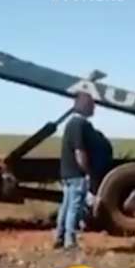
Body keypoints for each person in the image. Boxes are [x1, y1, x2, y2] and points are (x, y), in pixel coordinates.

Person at [55, 92, 96, 249]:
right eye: (92, 105)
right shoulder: (80, 125)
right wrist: (87, 171)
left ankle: (59, 237)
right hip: (76, 173)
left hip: (66, 172)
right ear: (85, 106)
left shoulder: (70, 123)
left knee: (65, 206)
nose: (94, 109)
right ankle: (69, 241)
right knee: (74, 207)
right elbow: (79, 151)